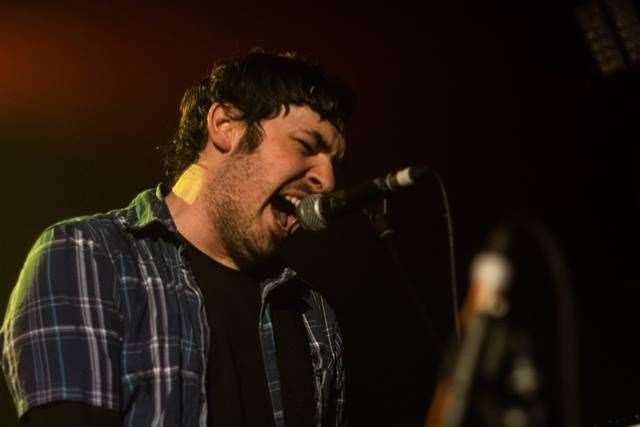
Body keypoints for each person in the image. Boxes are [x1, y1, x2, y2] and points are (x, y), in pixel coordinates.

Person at [0, 50, 354, 427]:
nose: (327, 181)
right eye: (305, 145)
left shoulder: (311, 314)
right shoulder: (88, 255)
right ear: (225, 124)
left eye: (335, 162)